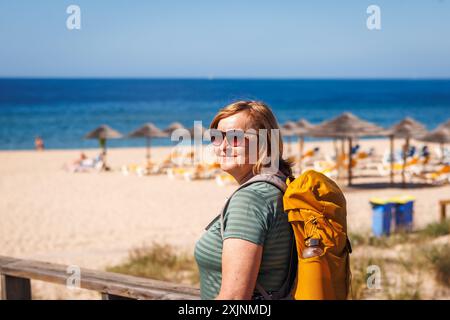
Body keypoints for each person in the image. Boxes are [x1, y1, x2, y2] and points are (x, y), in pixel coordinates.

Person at [194, 100, 294, 300]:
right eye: (216, 137)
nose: (222, 146)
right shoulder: (281, 184)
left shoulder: (251, 200)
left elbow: (234, 299)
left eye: (234, 138)